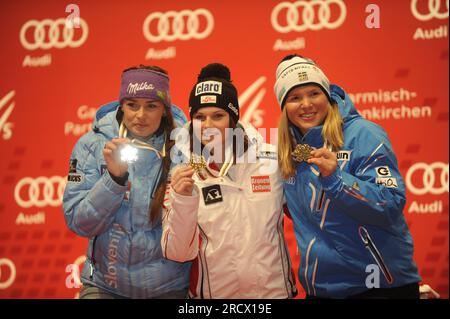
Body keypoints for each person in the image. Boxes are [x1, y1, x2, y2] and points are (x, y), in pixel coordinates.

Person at [274, 54, 422, 298]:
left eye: (314, 93)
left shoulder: (363, 134)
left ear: (328, 94)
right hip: (321, 289)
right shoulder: (289, 154)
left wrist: (336, 179)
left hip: (377, 286)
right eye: (294, 98)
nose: (306, 104)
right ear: (284, 107)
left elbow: (391, 203)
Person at [161, 63, 297, 299]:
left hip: (274, 295)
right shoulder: (181, 173)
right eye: (200, 117)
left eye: (218, 116)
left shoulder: (271, 160)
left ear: (234, 119)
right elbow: (178, 253)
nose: (208, 126)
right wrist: (183, 200)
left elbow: (307, 215)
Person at [63, 65, 191, 299]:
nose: (140, 115)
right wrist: (114, 179)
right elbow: (79, 222)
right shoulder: (91, 145)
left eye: (151, 106)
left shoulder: (186, 147)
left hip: (168, 287)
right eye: (132, 105)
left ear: (164, 109)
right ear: (121, 105)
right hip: (104, 285)